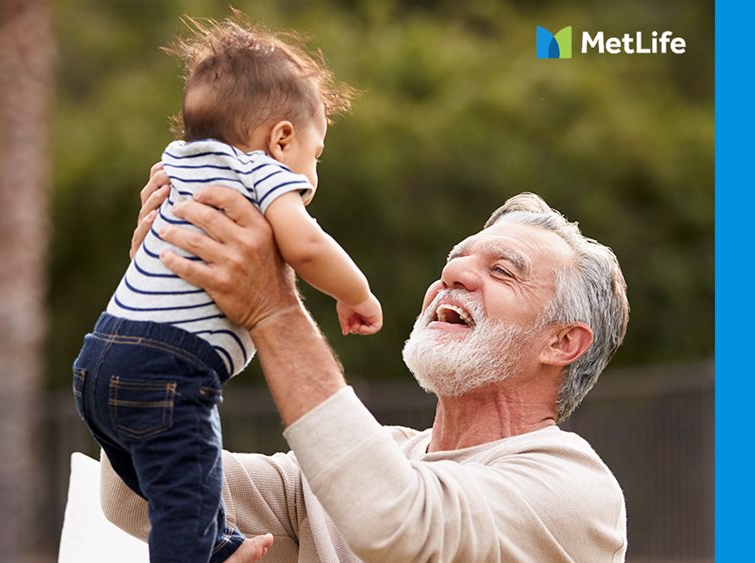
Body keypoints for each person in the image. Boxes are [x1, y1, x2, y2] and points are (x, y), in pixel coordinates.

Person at [99, 175, 630, 562]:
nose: (453, 275)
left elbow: (396, 521)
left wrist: (272, 307)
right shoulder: (368, 461)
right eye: (455, 260)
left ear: (562, 342)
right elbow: (137, 492)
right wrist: (161, 306)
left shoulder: (575, 488)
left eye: (503, 270)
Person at [72, 15, 381, 563]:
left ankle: (215, 545)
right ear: (282, 139)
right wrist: (355, 293)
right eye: (316, 155)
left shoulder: (178, 163)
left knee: (178, 486)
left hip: (98, 360)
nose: (313, 173)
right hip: (169, 371)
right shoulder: (262, 173)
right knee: (183, 502)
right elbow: (308, 247)